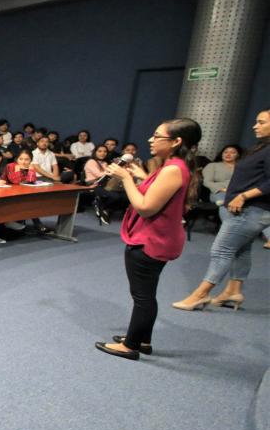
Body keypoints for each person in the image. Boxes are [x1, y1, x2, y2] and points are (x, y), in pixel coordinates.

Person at [94, 118, 201, 360]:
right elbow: (156, 191)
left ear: (176, 141)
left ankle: (131, 345)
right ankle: (142, 339)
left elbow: (145, 207)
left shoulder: (173, 169)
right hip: (159, 237)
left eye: (157, 136)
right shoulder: (174, 165)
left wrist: (126, 179)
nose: (150, 140)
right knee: (145, 294)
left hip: (151, 240)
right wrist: (141, 176)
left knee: (142, 297)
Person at [172, 110, 269, 312]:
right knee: (241, 250)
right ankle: (233, 291)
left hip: (250, 209)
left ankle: (200, 295)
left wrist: (243, 196)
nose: (255, 126)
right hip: (247, 209)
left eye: (261, 122)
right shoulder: (262, 148)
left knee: (221, 250)